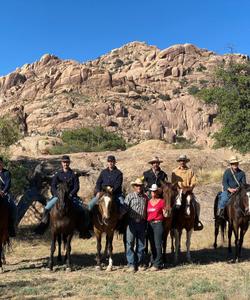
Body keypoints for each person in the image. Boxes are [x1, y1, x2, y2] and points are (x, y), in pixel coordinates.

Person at [35, 155, 91, 238]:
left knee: (82, 210)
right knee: (47, 207)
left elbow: (76, 187)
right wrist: (56, 194)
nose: (65, 164)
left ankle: (83, 230)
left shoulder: (73, 175)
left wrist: (71, 194)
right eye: (64, 162)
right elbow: (53, 186)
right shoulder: (57, 175)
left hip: (71, 197)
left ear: (69, 163)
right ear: (62, 163)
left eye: (67, 162)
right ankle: (42, 227)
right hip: (59, 197)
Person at [171, 154, 203, 231]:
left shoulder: (190, 171)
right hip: (178, 192)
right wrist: (179, 189)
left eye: (183, 161)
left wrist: (190, 188)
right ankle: (173, 221)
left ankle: (196, 220)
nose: (182, 162)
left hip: (188, 191)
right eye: (181, 161)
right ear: (179, 162)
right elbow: (173, 183)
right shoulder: (174, 171)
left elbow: (193, 182)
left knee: (197, 203)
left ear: (186, 162)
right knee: (174, 204)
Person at [123, 178, 148, 272]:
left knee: (141, 244)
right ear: (134, 187)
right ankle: (131, 264)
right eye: (137, 185)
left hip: (142, 222)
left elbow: (147, 209)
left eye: (140, 185)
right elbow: (125, 208)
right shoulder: (129, 196)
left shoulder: (145, 197)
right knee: (130, 243)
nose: (139, 187)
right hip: (131, 222)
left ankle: (140, 263)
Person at [147, 184, 168, 271]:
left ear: (157, 192)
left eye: (155, 191)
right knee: (152, 244)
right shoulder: (148, 202)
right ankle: (154, 261)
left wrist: (166, 212)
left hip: (158, 224)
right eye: (152, 191)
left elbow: (165, 214)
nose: (153, 192)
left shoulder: (161, 201)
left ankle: (157, 264)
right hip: (150, 224)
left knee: (158, 244)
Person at [0, 157, 17, 237]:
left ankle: (11, 227)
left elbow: (8, 184)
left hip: (5, 194)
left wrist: (3, 191)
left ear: (2, 163)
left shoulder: (6, 173)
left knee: (13, 208)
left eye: (0, 163)